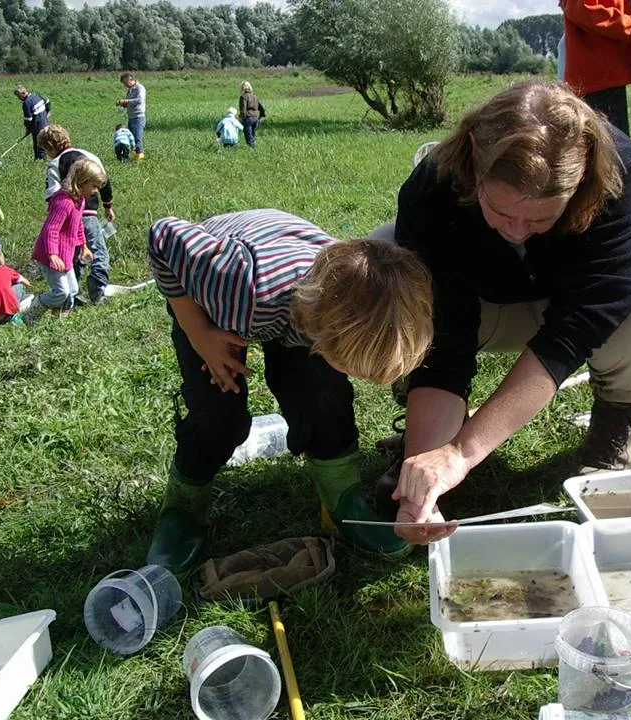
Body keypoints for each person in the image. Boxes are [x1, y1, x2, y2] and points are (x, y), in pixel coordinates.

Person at [377, 81, 631, 544]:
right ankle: (417, 454)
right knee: (386, 267)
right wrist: (422, 483)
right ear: (475, 174)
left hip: (566, 297)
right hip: (484, 302)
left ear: (580, 188)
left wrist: (463, 454)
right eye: (500, 212)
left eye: (541, 219)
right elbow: (445, 336)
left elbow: (580, 322)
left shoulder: (618, 172)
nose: (518, 233)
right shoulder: (435, 184)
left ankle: (613, 424)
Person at [144, 208, 434, 574]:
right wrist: (199, 332)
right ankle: (183, 506)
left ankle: (341, 501)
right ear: (324, 338)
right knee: (217, 414)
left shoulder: (352, 309)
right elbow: (162, 237)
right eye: (354, 367)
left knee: (323, 398)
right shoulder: (238, 284)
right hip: (217, 304)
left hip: (304, 302)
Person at [38, 125, 115, 304]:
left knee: (73, 254)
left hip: (69, 215)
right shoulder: (89, 156)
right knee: (98, 251)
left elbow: (53, 194)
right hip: (90, 214)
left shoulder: (55, 164)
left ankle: (76, 295)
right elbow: (105, 182)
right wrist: (108, 206)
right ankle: (98, 289)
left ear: (50, 146)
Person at [561, 1, 631, 135]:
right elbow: (585, 11)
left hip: (605, 76)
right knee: (611, 148)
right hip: (599, 78)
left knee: (611, 146)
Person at [24, 158, 105, 325]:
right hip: (51, 255)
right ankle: (32, 312)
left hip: (65, 254)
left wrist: (83, 246)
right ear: (82, 182)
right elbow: (51, 229)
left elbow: (78, 224)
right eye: (94, 186)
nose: (96, 191)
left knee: (73, 290)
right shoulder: (64, 202)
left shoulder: (80, 200)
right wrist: (52, 254)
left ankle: (59, 320)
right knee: (61, 292)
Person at [13, 86, 51, 160]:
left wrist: (28, 129)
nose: (18, 98)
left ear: (23, 93)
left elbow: (28, 119)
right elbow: (47, 101)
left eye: (18, 96)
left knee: (38, 146)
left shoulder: (26, 103)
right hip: (46, 124)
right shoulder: (36, 95)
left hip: (37, 127)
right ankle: (43, 161)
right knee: (44, 143)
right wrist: (48, 111)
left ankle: (40, 161)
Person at [117, 73, 146, 160]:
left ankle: (139, 158)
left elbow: (139, 100)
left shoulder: (140, 88)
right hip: (131, 117)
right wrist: (123, 104)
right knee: (131, 139)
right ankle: (134, 157)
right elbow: (130, 103)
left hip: (138, 117)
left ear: (130, 80)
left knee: (137, 139)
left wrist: (126, 100)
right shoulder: (130, 90)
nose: (125, 85)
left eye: (125, 83)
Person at [238, 82, 265, 148]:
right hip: (255, 118)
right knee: (252, 135)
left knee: (248, 137)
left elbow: (243, 109)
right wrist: (261, 116)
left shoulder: (243, 96)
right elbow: (261, 107)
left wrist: (241, 118)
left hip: (248, 118)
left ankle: (252, 150)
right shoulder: (255, 96)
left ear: (242, 88)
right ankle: (254, 149)